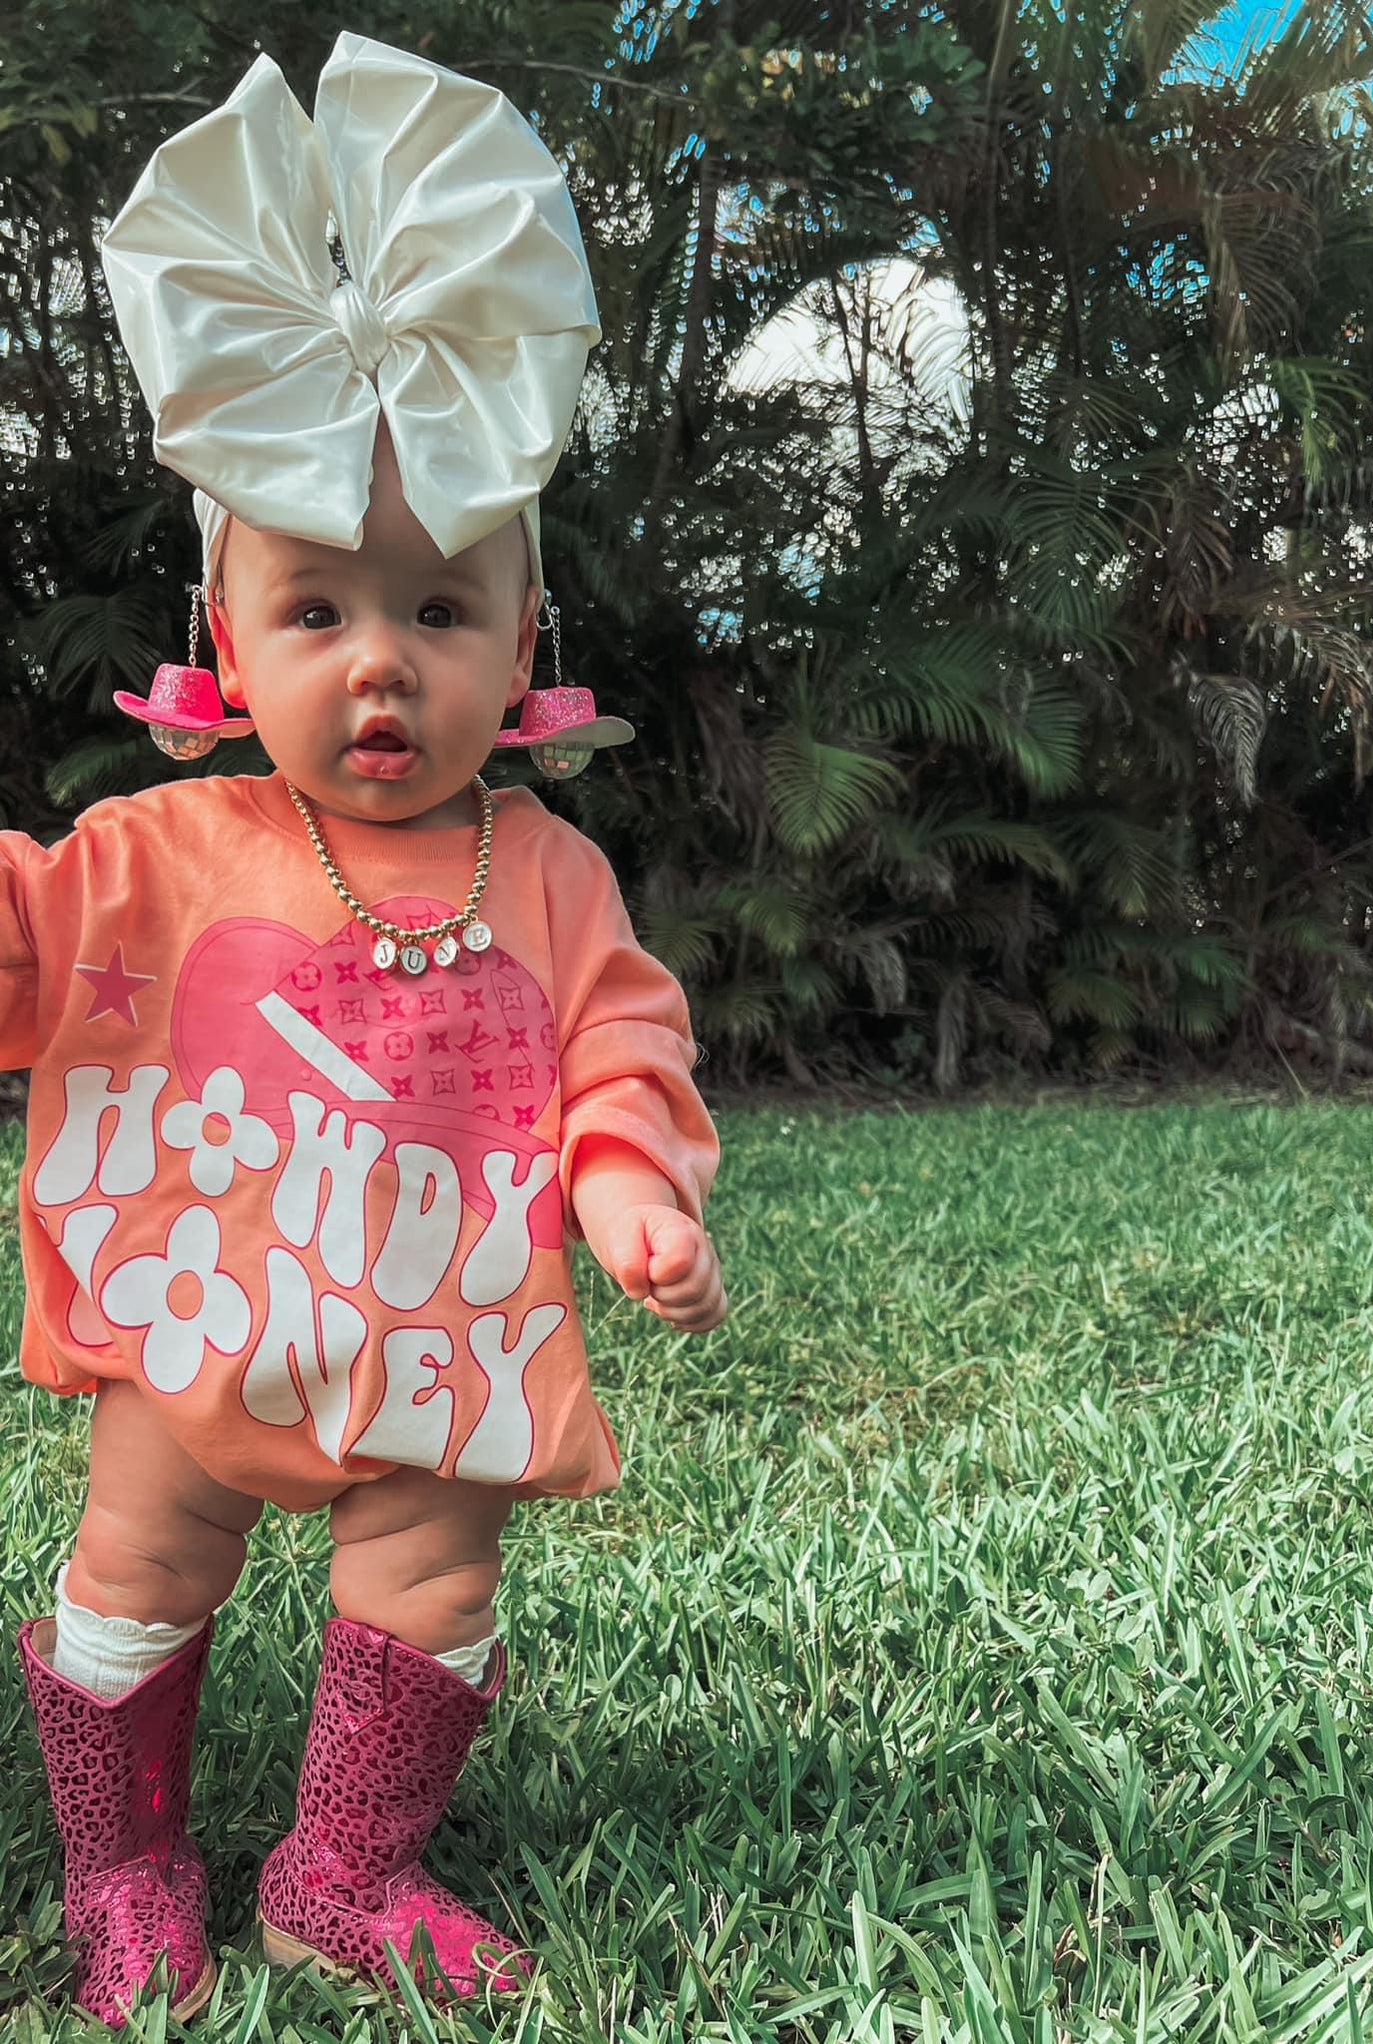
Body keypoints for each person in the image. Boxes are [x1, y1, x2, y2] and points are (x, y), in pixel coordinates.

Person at [10, 31, 725, 2031]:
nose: (382, 659)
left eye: (440, 608)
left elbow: (620, 1042)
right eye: (318, 609)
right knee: (135, 1568)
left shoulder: (547, 867)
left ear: (525, 652)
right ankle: (127, 1857)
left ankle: (346, 1858)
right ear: (224, 639)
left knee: (435, 1586)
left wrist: (630, 1179)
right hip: (204, 1318)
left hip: (445, 1333)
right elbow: (31, 938)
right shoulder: (164, 844)